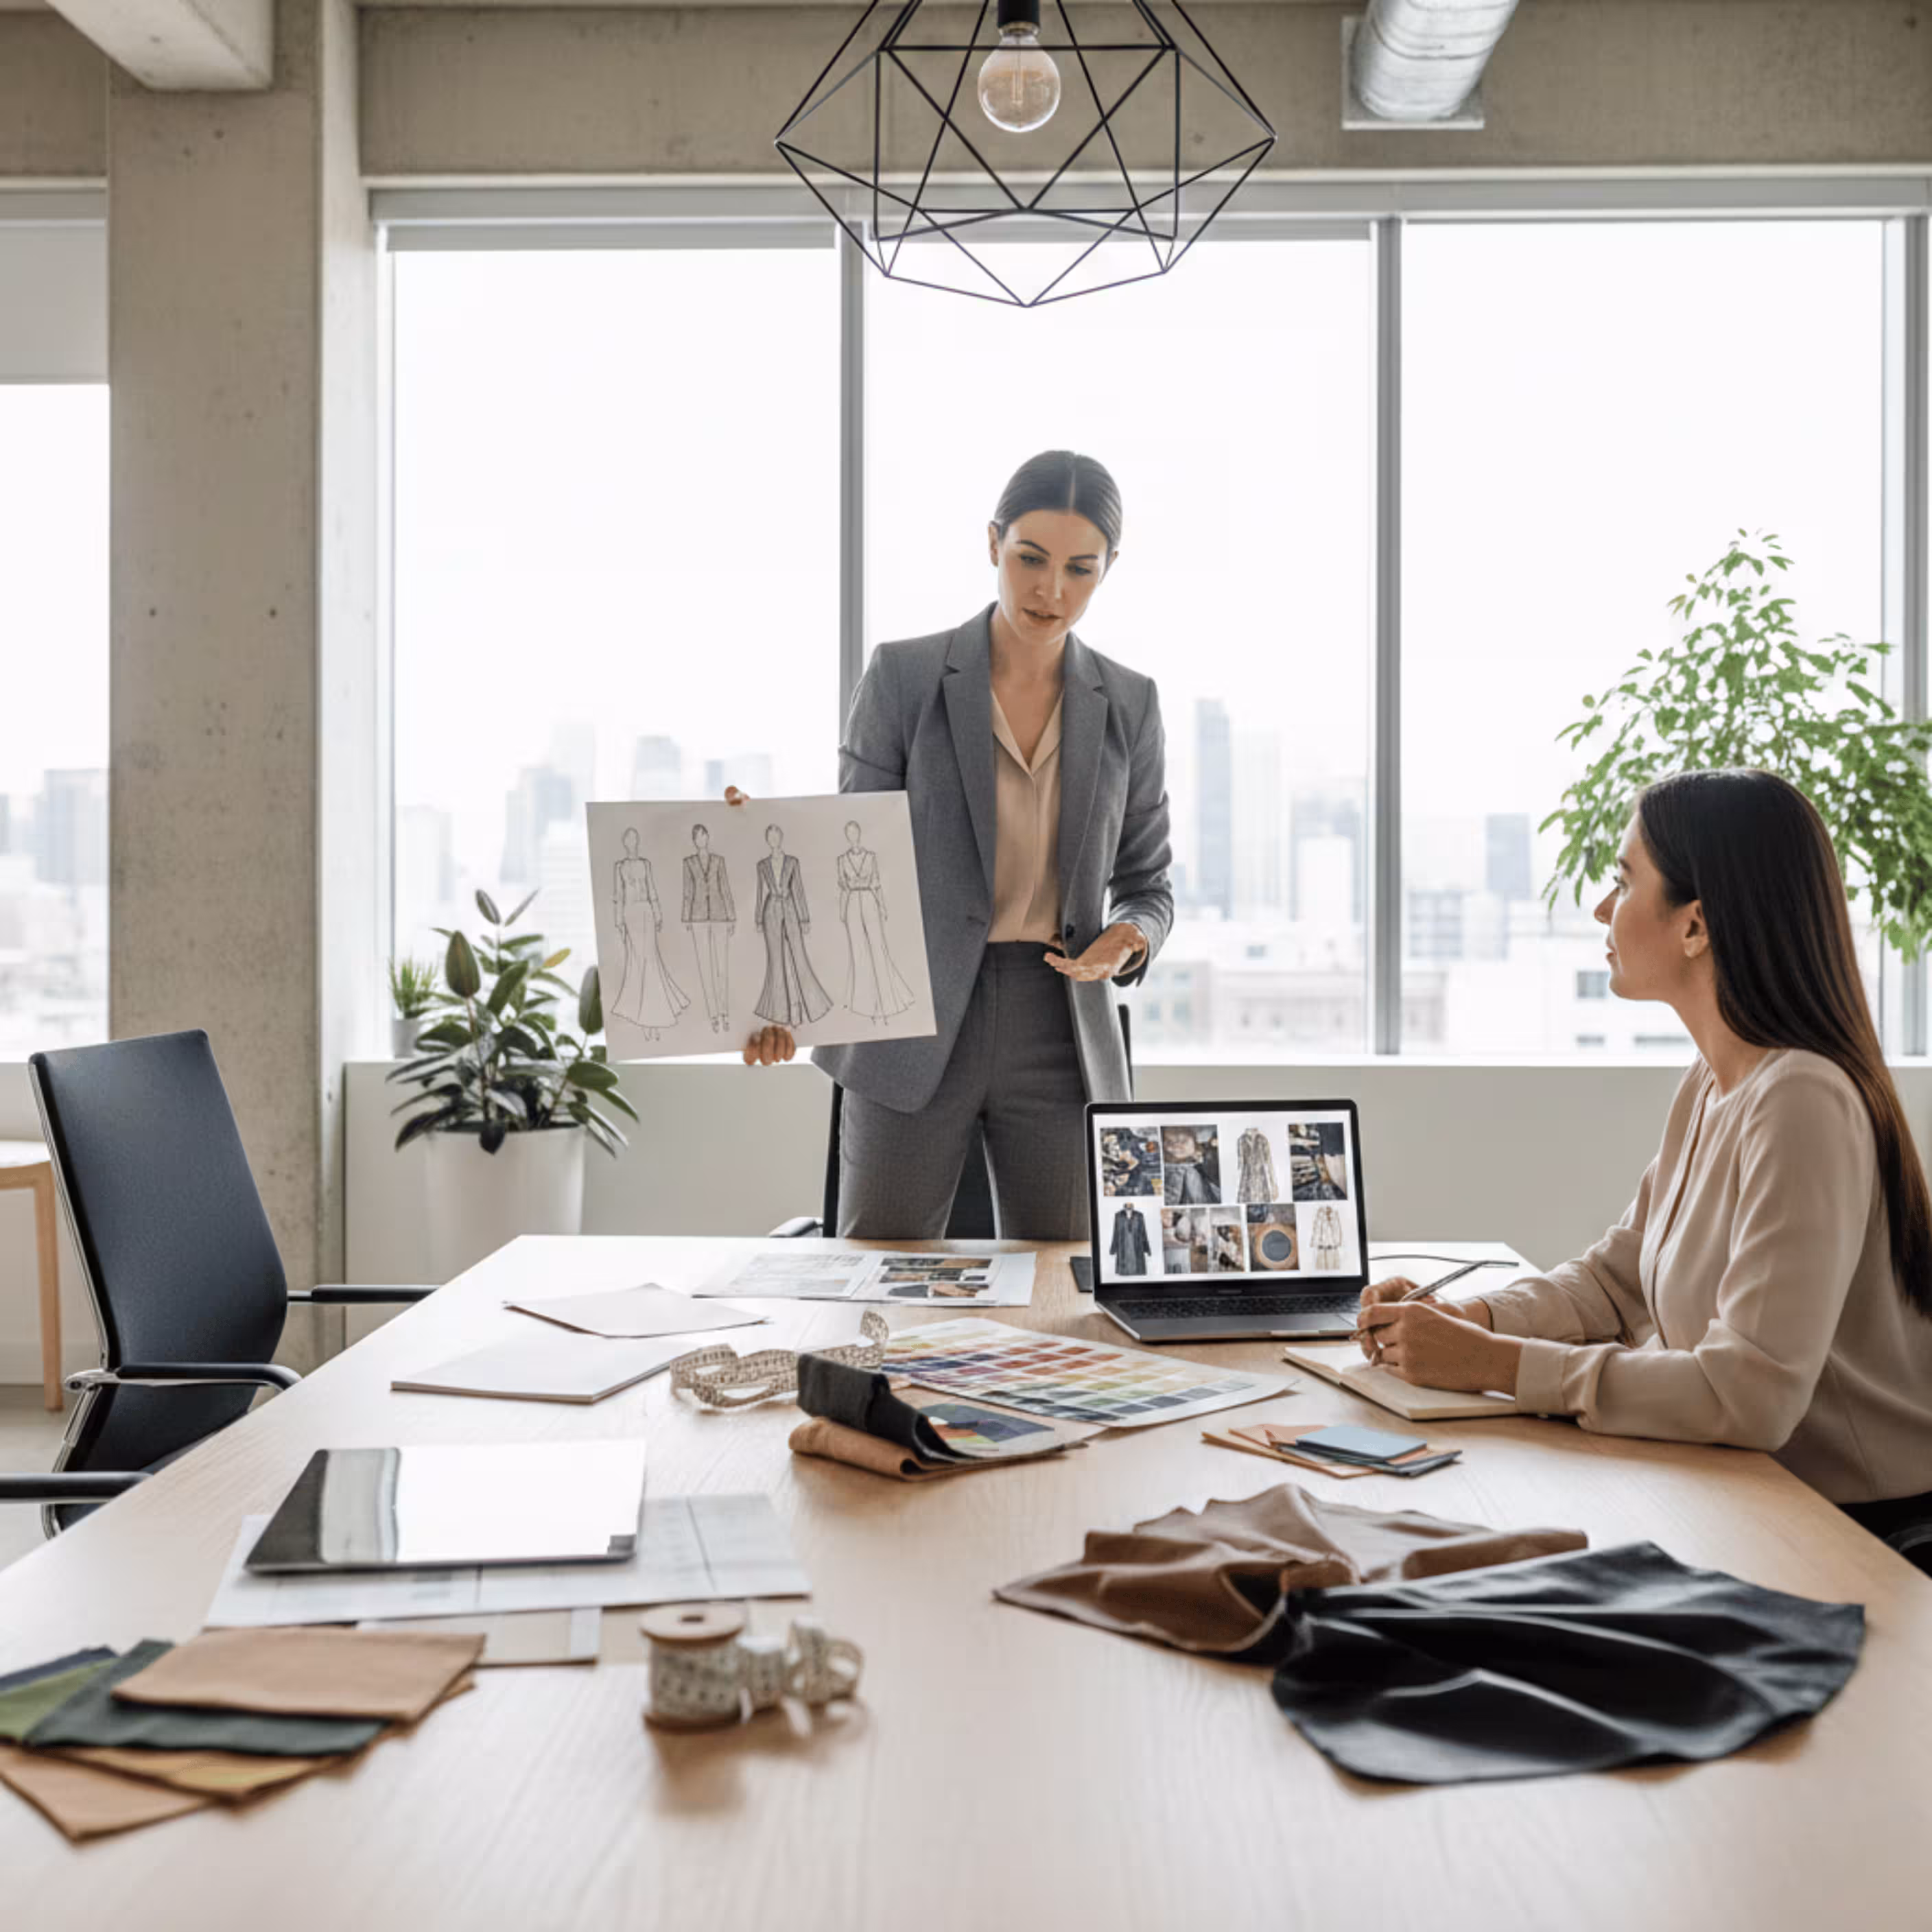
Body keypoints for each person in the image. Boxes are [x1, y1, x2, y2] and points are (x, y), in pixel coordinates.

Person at [1356, 769, 1932, 1533]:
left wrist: (1495, 1366)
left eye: (1623, 881)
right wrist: (1465, 1320)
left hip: (1855, 1531)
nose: (1599, 907)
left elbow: (1749, 1395)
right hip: (1746, 1493)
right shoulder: (1715, 1079)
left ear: (1694, 925)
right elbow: (1614, 1281)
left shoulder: (1801, 1099)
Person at [737, 449, 1173, 1240]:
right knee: (878, 1276)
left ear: (1108, 569)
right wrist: (751, 848)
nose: (1050, 589)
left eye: (1080, 568)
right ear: (992, 544)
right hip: (906, 1013)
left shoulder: (1130, 704)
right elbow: (840, 857)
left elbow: (1148, 879)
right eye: (1029, 558)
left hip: (1060, 1026)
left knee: (1064, 1288)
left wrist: (1132, 934)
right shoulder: (904, 677)